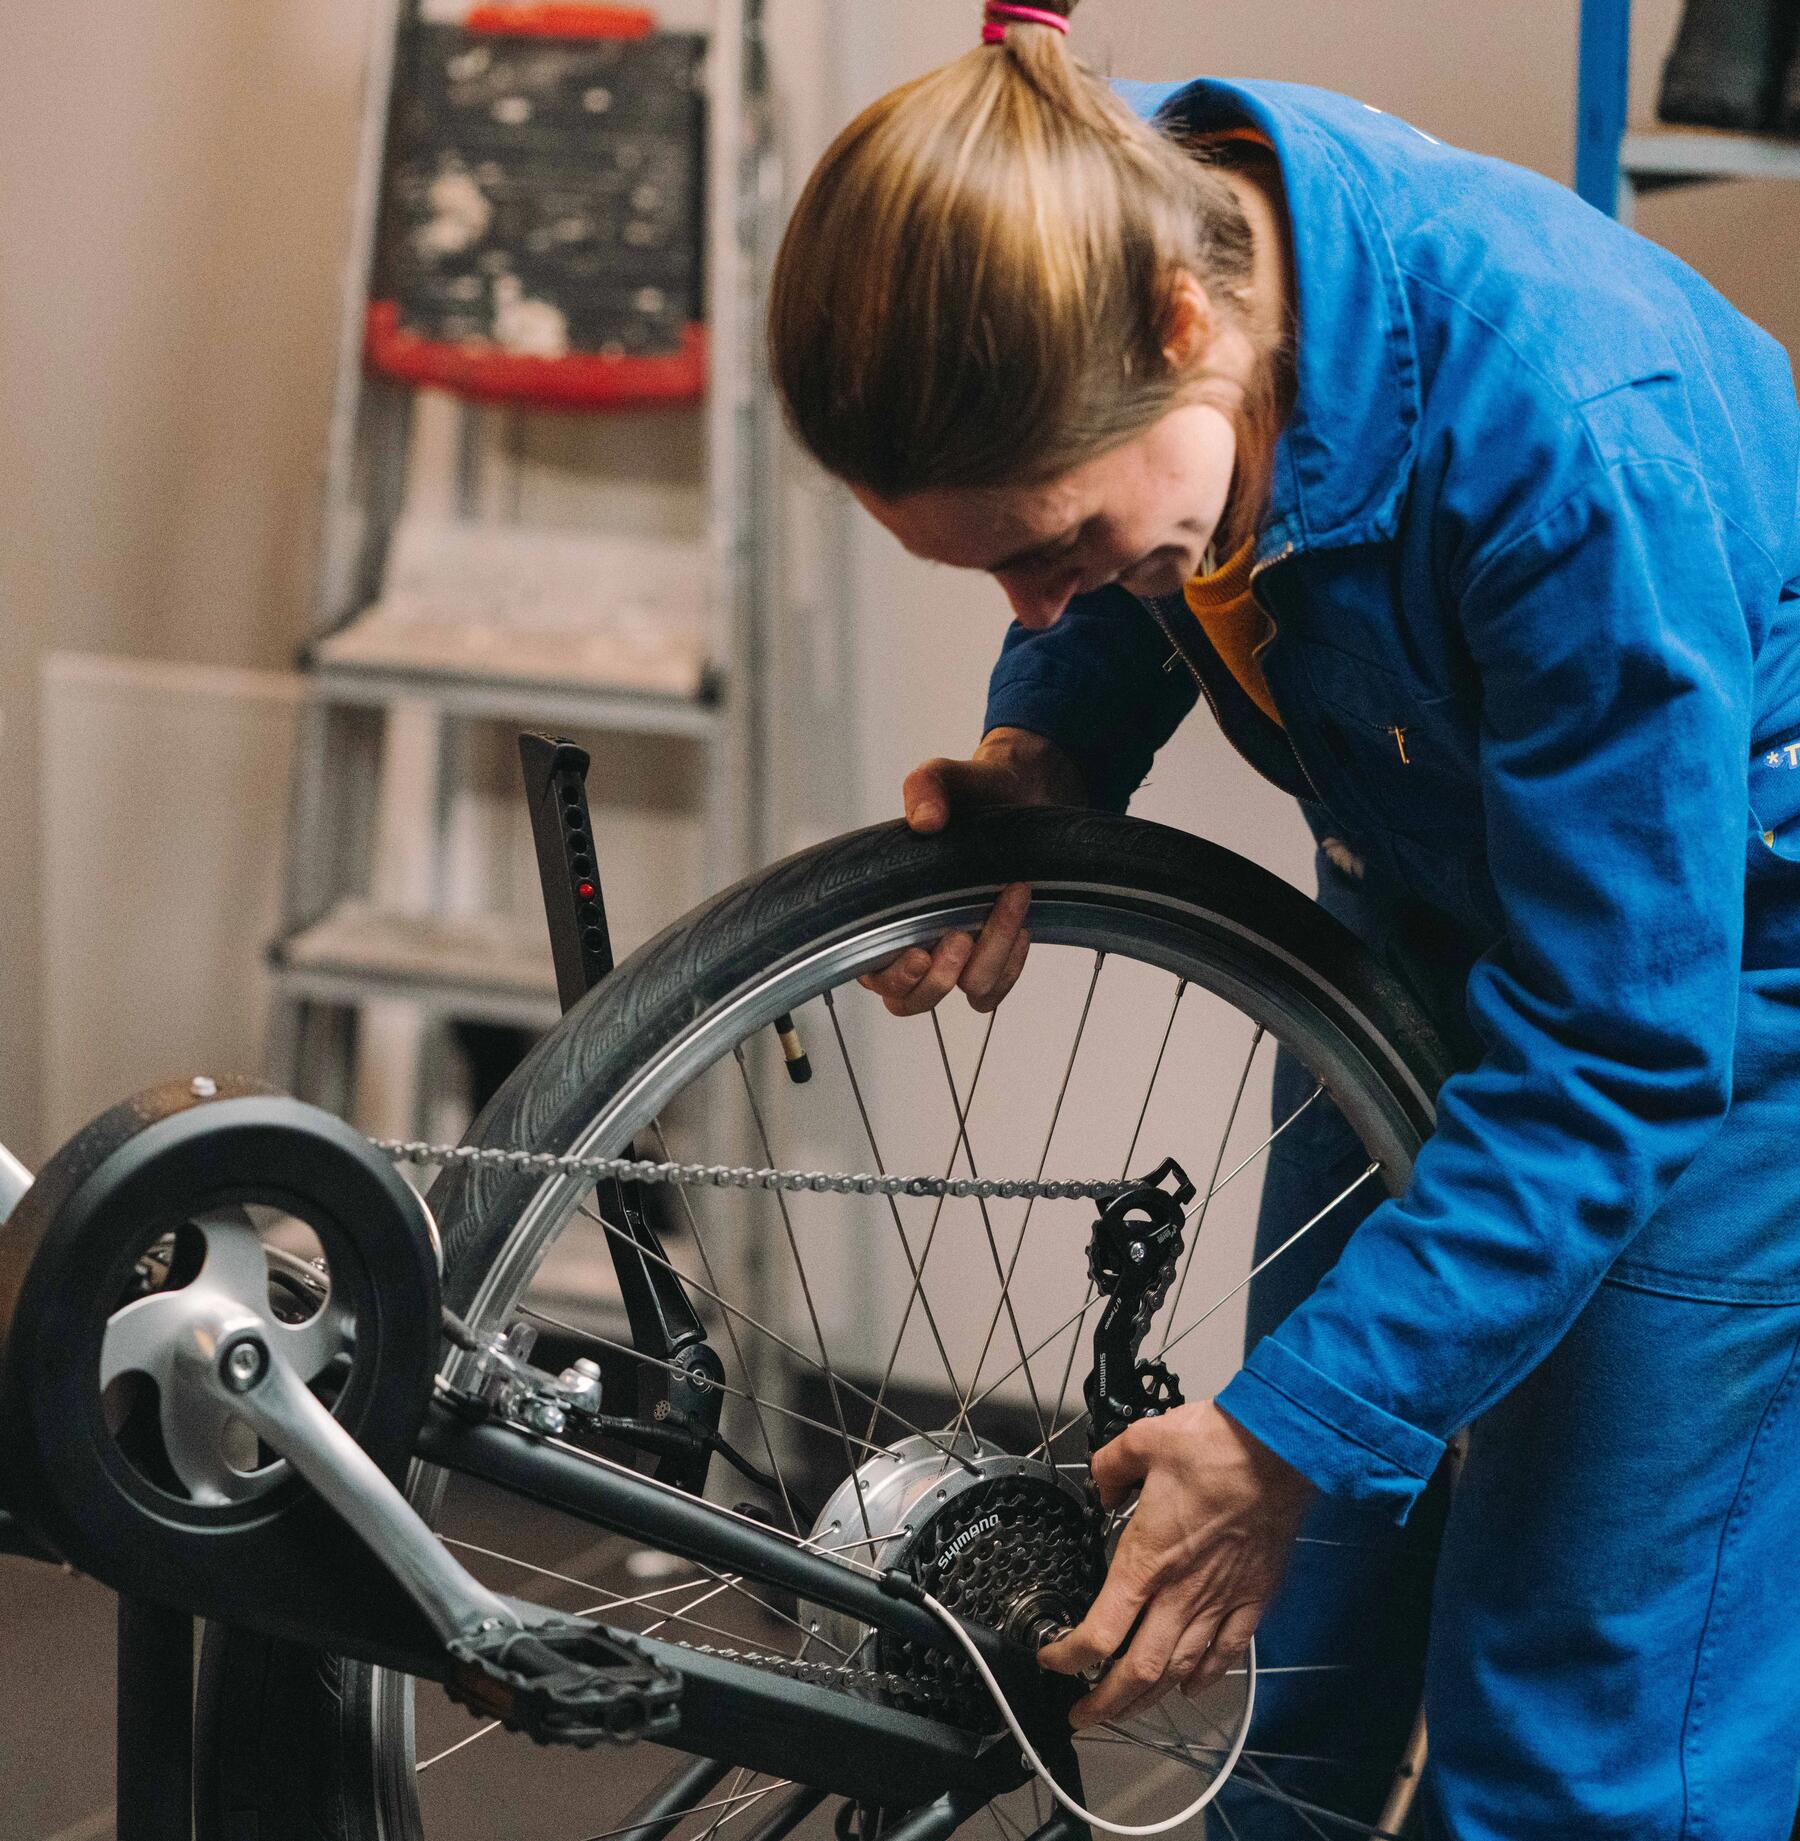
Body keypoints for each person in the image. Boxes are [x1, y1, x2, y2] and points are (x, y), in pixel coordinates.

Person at [767, 4, 1800, 1837]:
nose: (1036, 591)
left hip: (1718, 997)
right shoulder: (1092, 214)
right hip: (1422, 894)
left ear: (1184, 331)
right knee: (1287, 1646)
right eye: (988, 563)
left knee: (1579, 1712)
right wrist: (1046, 749)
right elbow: (1127, 551)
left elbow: (1628, 1043)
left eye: (1053, 540)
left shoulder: (1569, 440)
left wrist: (1285, 1430)